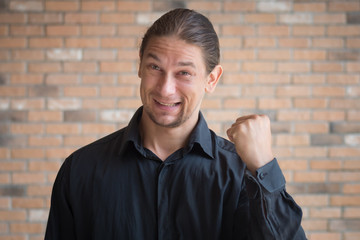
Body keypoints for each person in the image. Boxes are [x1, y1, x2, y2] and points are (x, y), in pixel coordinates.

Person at [45, 8, 307, 240]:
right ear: (140, 67)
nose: (165, 89)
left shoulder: (241, 175)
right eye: (155, 67)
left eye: (184, 72)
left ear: (211, 79)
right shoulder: (80, 170)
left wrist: (264, 167)